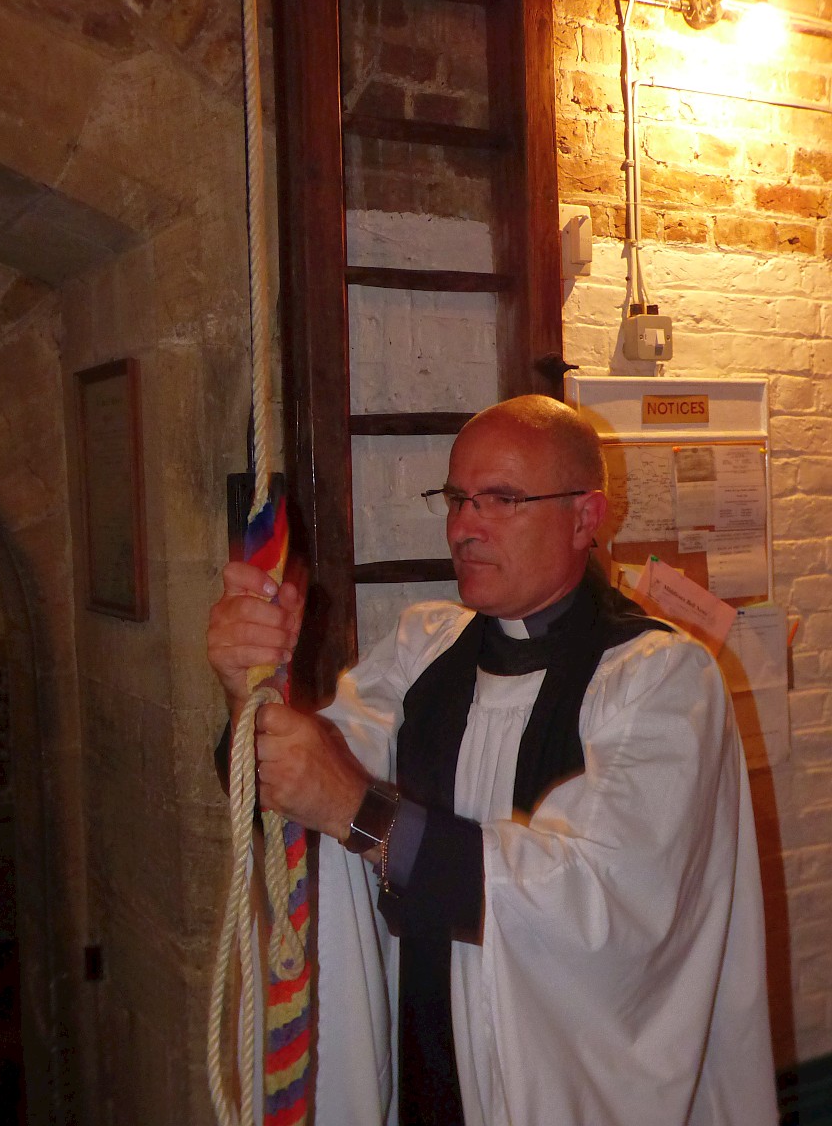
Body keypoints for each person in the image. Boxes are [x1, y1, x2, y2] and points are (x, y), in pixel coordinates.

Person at [207, 395, 778, 1126]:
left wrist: (360, 811)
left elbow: (599, 904)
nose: (463, 527)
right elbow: (294, 783)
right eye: (456, 498)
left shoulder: (661, 680)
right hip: (425, 1065)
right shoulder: (425, 649)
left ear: (584, 517)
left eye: (501, 500)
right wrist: (244, 689)